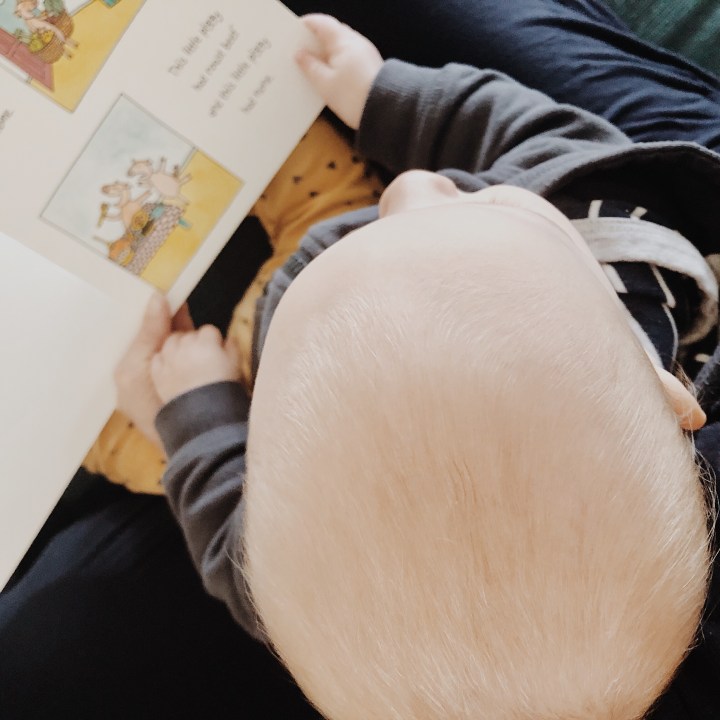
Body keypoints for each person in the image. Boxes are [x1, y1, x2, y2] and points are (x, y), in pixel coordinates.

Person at [3, 3, 720, 719]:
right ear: (666, 396)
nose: (411, 186)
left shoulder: (309, 595)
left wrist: (193, 414)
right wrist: (384, 94)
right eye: (478, 209)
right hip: (321, 299)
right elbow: (529, 131)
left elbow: (229, 540)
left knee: (104, 417)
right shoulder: (618, 234)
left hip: (261, 376)